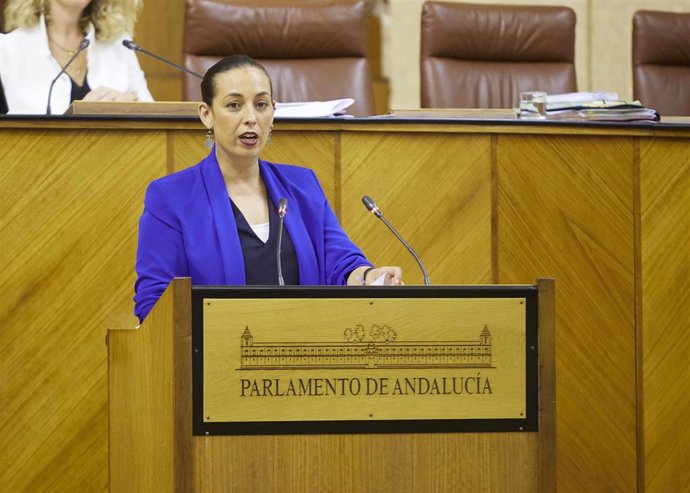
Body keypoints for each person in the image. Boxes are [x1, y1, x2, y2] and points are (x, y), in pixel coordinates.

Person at [133, 55, 403, 322]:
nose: (251, 118)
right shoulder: (171, 197)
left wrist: (371, 278)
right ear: (207, 115)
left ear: (273, 112)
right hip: (215, 357)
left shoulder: (303, 186)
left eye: (261, 104)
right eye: (234, 105)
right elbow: (154, 303)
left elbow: (342, 266)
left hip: (304, 350)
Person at [0, 0, 152, 114]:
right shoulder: (7, 49)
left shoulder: (120, 45)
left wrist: (132, 106)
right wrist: (77, 119)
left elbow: (155, 122)